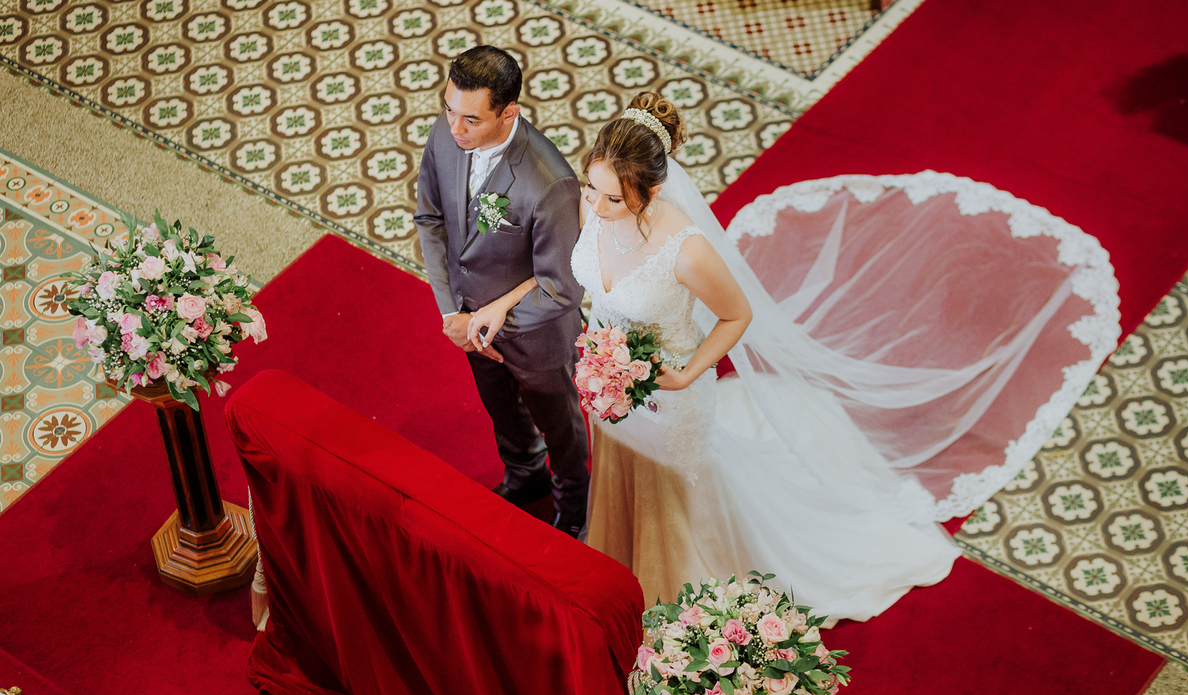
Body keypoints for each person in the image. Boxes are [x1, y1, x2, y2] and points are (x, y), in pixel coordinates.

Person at [572, 92, 1114, 622]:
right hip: (612, 381)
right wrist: (601, 358)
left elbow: (737, 316)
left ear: (656, 187)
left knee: (671, 485)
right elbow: (602, 280)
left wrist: (688, 373)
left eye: (614, 199)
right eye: (592, 189)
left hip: (671, 395)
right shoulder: (595, 203)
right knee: (622, 464)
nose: (598, 207)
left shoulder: (686, 249)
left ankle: (670, 591)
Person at [415, 46, 590, 536]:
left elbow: (562, 287)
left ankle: (573, 507)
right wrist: (454, 313)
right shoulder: (446, 135)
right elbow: (430, 220)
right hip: (468, 322)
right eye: (449, 109)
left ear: (508, 111)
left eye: (470, 118)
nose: (455, 128)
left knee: (560, 428)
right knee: (500, 409)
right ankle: (524, 472)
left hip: (536, 336)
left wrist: (488, 325)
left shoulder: (549, 182)